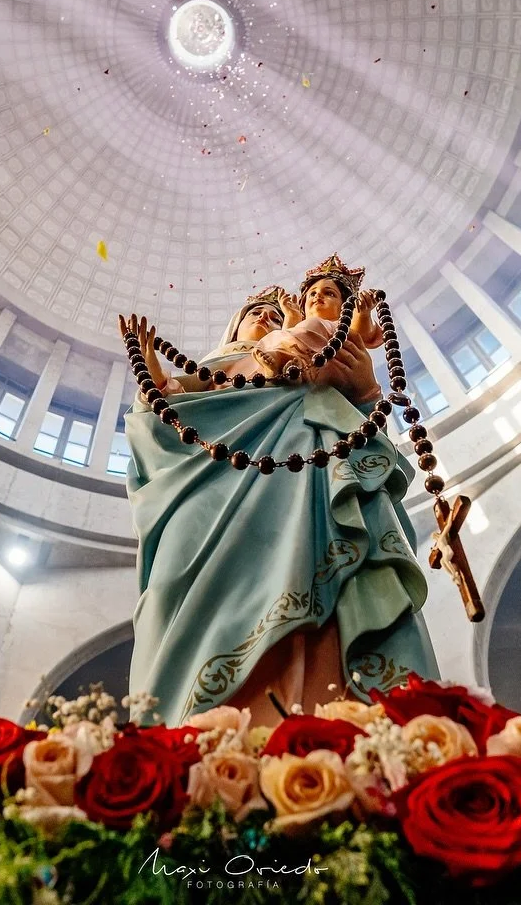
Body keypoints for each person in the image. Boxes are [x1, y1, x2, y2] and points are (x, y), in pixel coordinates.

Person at [123, 256, 440, 727]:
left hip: (310, 464)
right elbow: (162, 429)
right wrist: (154, 384)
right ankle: (190, 728)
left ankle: (332, 714)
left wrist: (366, 388)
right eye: (257, 314)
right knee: (174, 585)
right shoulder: (215, 371)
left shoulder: (321, 351)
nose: (270, 320)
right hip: (212, 483)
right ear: (234, 327)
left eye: (277, 314)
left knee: (327, 568)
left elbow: (366, 423)